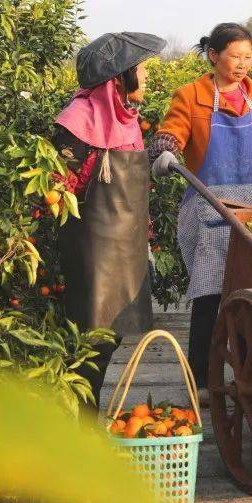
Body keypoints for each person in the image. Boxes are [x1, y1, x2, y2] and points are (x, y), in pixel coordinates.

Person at [147, 22, 252, 404]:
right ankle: (202, 380)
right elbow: (170, 133)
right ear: (214, 55)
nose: (243, 64)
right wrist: (163, 150)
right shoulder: (190, 95)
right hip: (212, 207)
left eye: (248, 57)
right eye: (235, 56)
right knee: (210, 293)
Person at [53, 31, 164, 408]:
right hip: (93, 246)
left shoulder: (126, 117)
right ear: (119, 77)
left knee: (107, 338)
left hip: (124, 244)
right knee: (91, 340)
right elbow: (57, 189)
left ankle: (83, 416)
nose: (147, 76)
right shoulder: (78, 121)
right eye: (142, 69)